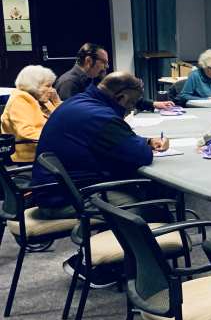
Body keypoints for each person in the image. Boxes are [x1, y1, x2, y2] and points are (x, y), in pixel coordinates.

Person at [31, 72, 169, 218]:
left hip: (55, 191)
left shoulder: (80, 101)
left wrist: (147, 141)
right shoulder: (100, 116)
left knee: (138, 188)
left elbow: (116, 140)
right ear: (121, 98)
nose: (130, 110)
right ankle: (116, 237)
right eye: (132, 104)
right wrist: (144, 145)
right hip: (67, 200)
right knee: (153, 213)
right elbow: (142, 155)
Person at [53, 42, 175, 112]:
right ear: (89, 60)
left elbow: (117, 97)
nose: (106, 67)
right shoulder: (68, 83)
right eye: (104, 62)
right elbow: (73, 117)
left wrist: (153, 104)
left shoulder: (93, 79)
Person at [1, 65, 61, 164]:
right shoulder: (19, 101)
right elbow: (26, 132)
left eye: (52, 85)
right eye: (48, 86)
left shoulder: (42, 99)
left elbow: (62, 119)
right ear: (33, 85)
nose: (52, 90)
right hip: (30, 156)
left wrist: (57, 102)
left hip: (48, 151)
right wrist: (57, 137)